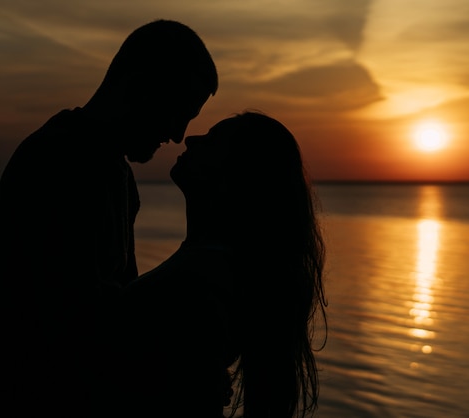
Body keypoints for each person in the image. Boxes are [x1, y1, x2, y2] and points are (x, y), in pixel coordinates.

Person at [0, 20, 217, 418]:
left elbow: (113, 311)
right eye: (178, 111)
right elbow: (79, 324)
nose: (179, 134)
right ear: (139, 85)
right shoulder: (59, 160)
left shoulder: (113, 172)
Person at [108, 111, 328, 417]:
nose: (190, 138)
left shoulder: (200, 287)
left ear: (237, 173)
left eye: (212, 140)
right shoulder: (212, 266)